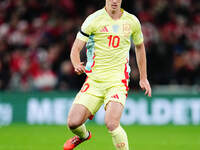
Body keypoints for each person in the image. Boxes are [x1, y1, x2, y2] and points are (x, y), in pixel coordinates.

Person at [63, 0, 152, 149]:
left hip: (118, 81)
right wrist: (76, 64)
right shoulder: (93, 20)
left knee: (111, 123)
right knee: (73, 123)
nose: (115, 1)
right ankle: (84, 136)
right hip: (94, 81)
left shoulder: (132, 21)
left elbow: (139, 47)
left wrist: (143, 78)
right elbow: (76, 49)